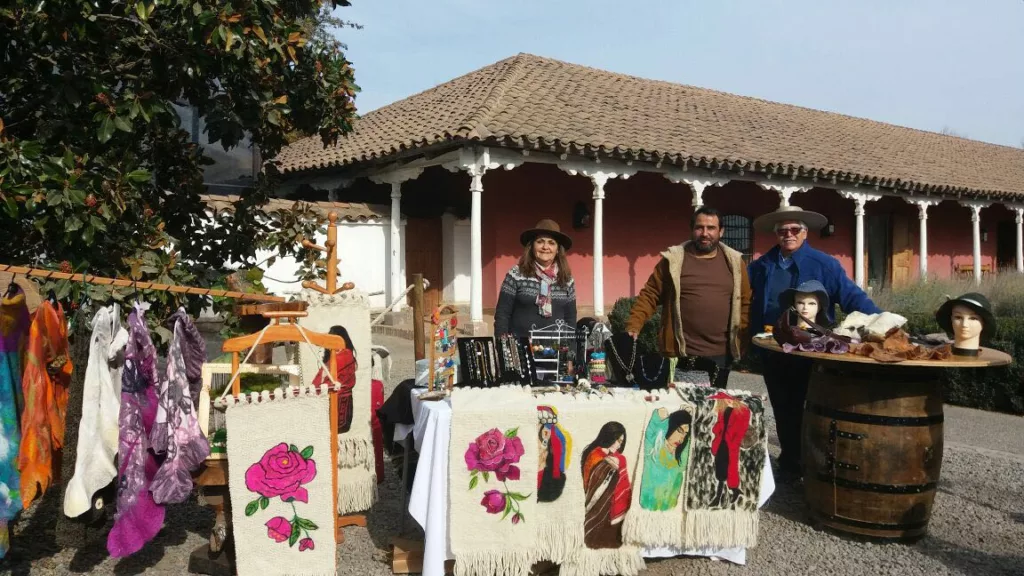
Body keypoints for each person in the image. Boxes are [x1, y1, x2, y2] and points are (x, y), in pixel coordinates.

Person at [748, 205, 881, 478]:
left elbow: (852, 297)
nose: (788, 234)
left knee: (812, 408)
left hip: (811, 352)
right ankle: (790, 464)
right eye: (782, 230)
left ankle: (815, 467)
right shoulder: (761, 266)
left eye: (794, 229)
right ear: (776, 234)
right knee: (782, 408)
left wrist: (882, 322)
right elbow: (743, 301)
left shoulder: (824, 265)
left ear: (805, 232)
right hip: (773, 350)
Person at [625, 206, 751, 388]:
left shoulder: (735, 262)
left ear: (721, 231)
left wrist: (742, 339)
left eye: (711, 228)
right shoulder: (673, 260)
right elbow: (650, 294)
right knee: (679, 403)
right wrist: (634, 325)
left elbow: (745, 303)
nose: (705, 233)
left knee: (714, 403)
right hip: (680, 352)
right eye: (699, 227)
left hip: (721, 353)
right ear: (692, 229)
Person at [494, 219, 577, 338]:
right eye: (540, 242)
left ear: (558, 249)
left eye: (551, 243)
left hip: (557, 346)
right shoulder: (516, 274)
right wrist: (502, 343)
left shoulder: (567, 279)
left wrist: (570, 345)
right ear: (532, 246)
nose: (545, 247)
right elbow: (502, 314)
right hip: (521, 345)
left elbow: (570, 318)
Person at [581, 421, 631, 549]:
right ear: (609, 437)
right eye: (617, 440)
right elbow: (594, 480)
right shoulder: (595, 454)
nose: (619, 445)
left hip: (610, 503)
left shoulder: (612, 456)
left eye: (621, 442)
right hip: (596, 503)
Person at [638, 407, 692, 511]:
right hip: (648, 505)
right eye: (679, 431)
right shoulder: (654, 445)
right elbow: (655, 424)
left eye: (685, 434)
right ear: (671, 426)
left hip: (669, 509)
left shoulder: (680, 455)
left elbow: (683, 465)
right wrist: (667, 417)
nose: (681, 439)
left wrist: (687, 415)